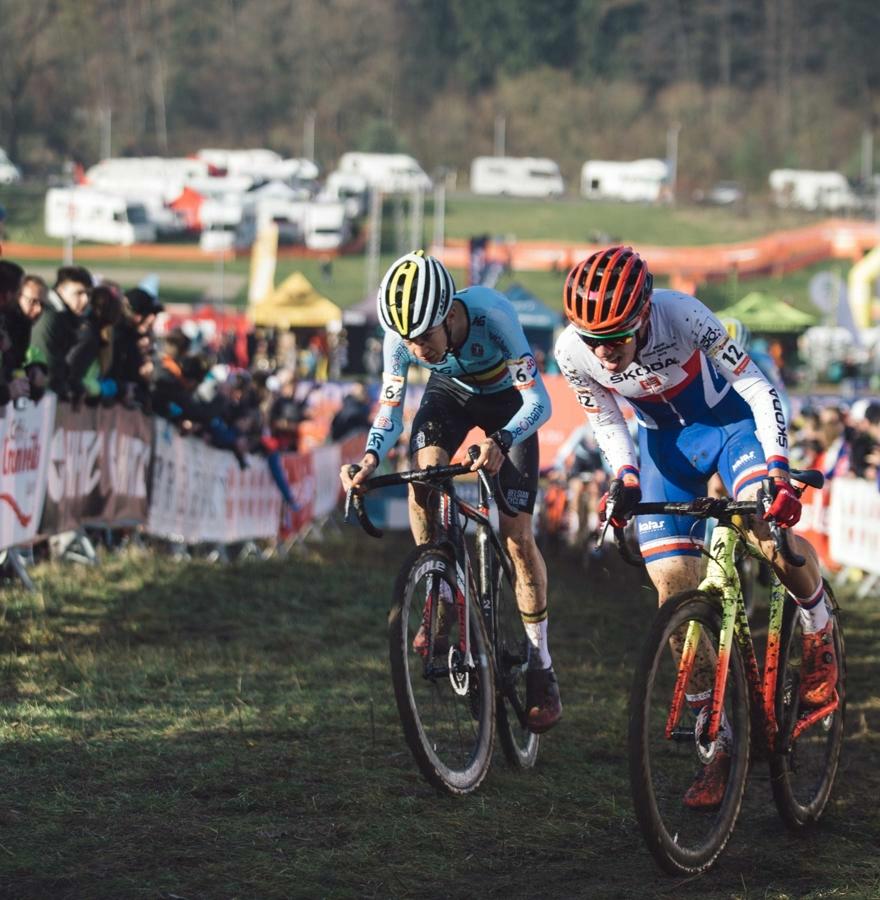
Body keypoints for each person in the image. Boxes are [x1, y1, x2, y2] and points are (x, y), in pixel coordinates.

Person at [554, 246, 837, 804]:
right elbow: (604, 416)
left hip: (731, 430)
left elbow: (758, 386)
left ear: (642, 316)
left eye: (615, 338)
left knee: (764, 531)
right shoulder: (573, 349)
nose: (605, 353)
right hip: (664, 451)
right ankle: (717, 743)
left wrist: (777, 468)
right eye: (594, 341)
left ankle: (819, 627)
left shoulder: (683, 314)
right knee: (673, 588)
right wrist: (627, 476)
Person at [340, 250, 561, 733]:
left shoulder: (493, 314)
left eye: (424, 338)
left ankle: (541, 664)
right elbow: (391, 409)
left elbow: (539, 403)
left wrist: (501, 441)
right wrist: (372, 456)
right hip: (451, 396)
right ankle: (441, 588)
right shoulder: (401, 339)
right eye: (408, 342)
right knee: (424, 475)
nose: (416, 350)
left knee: (518, 539)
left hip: (509, 406)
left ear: (449, 314)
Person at [29, 265, 94, 400]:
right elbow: (47, 364)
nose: (85, 300)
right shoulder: (50, 317)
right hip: (40, 398)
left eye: (88, 294)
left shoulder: (65, 317)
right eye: (79, 293)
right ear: (61, 289)